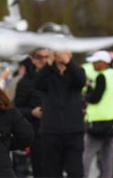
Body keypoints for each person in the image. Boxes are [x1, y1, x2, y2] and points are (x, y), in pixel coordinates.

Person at [35, 49, 87, 177]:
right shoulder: (47, 73)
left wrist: (68, 62)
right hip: (51, 131)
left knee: (75, 171)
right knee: (51, 171)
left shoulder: (76, 71)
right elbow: (37, 83)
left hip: (74, 131)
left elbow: (81, 81)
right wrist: (49, 63)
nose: (60, 53)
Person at [84, 50, 113, 178]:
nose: (93, 65)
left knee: (87, 154)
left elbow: (95, 98)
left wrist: (88, 90)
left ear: (103, 63)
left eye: (95, 62)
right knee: (107, 156)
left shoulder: (102, 76)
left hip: (99, 121)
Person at [13, 49, 50, 177]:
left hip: (58, 131)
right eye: (40, 57)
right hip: (37, 132)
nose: (44, 60)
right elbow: (16, 108)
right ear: (33, 58)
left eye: (47, 57)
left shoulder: (57, 77)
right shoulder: (24, 82)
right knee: (40, 168)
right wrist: (31, 112)